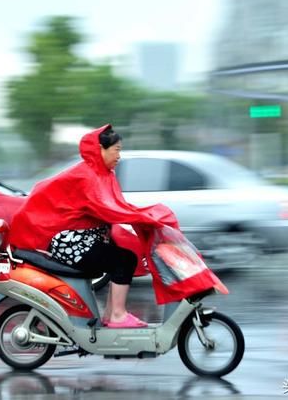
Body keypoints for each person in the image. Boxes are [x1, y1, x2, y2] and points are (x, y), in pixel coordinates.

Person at [9, 124, 176, 328]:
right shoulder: (87, 176)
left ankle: (111, 315)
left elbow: (117, 206)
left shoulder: (103, 174)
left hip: (85, 240)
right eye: (116, 150)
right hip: (71, 244)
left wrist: (146, 216)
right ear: (100, 150)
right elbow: (106, 208)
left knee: (125, 258)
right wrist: (146, 218)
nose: (119, 155)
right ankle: (117, 315)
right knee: (124, 260)